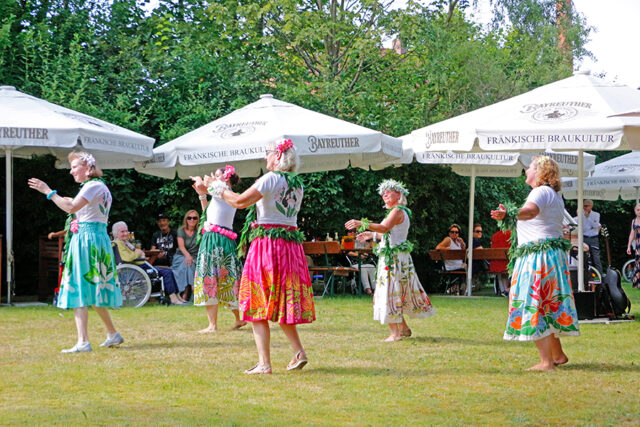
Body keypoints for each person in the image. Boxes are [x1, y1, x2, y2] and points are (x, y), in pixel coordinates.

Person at [212, 139, 315, 374]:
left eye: (268, 153)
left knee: (257, 300)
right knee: (282, 299)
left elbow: (239, 202)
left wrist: (217, 188)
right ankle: (298, 352)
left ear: (278, 156)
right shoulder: (297, 184)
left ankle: (264, 363)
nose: (266, 157)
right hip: (290, 247)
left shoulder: (269, 179)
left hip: (267, 244)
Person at [28, 151, 124, 353]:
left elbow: (70, 207)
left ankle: (83, 342)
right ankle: (112, 334)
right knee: (91, 289)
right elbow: (84, 209)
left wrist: (48, 191)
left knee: (79, 286)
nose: (71, 172)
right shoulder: (99, 186)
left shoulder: (92, 185)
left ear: (87, 169)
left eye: (74, 167)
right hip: (96, 239)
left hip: (87, 240)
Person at [491, 155, 580, 371]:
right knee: (547, 302)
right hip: (550, 256)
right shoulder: (554, 194)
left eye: (530, 167)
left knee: (535, 303)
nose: (526, 171)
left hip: (537, 257)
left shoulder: (540, 192)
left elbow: (531, 212)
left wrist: (508, 213)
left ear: (540, 172)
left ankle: (546, 362)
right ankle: (557, 355)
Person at [345, 179, 435, 342]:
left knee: (387, 291)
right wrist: (372, 236)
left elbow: (384, 228)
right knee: (396, 290)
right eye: (383, 192)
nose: (384, 194)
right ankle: (404, 328)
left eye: (389, 191)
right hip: (399, 257)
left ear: (399, 194)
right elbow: (390, 234)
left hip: (392, 258)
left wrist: (362, 224)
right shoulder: (399, 212)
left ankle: (395, 334)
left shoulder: (397, 211)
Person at [191, 165, 247, 332]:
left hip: (217, 240)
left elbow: (204, 186)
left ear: (226, 178)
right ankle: (238, 319)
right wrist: (201, 194)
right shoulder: (220, 193)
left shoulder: (226, 192)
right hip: (216, 238)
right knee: (223, 279)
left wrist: (201, 183)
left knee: (213, 278)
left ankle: (213, 325)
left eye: (216, 175)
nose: (213, 178)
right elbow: (208, 213)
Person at [112, 221, 187, 305]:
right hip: (136, 268)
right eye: (122, 231)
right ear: (116, 234)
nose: (126, 233)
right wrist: (139, 253)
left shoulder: (124, 243)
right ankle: (173, 298)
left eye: (126, 231)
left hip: (139, 266)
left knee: (168, 271)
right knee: (166, 273)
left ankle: (177, 296)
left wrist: (139, 254)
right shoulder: (118, 243)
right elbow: (126, 258)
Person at [171, 210, 200, 301]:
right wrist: (188, 256)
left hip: (195, 257)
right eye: (189, 218)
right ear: (186, 219)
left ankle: (185, 294)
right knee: (187, 264)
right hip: (181, 255)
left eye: (194, 218)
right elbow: (181, 246)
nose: (192, 220)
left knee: (189, 264)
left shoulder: (200, 231)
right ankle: (192, 290)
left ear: (197, 220)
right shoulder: (181, 230)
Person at [574, 199, 603, 275]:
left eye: (587, 206)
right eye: (584, 206)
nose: (585, 208)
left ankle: (600, 276)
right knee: (584, 258)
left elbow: (595, 225)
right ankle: (586, 275)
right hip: (584, 237)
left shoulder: (596, 214)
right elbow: (582, 228)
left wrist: (588, 217)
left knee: (596, 258)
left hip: (593, 238)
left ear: (591, 206)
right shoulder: (581, 215)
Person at [436, 223, 467, 294]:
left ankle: (459, 289)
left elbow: (464, 253)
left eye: (456, 232)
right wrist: (448, 249)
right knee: (467, 269)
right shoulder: (448, 240)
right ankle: (460, 290)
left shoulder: (458, 242)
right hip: (451, 266)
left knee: (470, 267)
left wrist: (462, 243)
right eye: (452, 232)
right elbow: (438, 247)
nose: (454, 234)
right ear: (449, 233)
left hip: (458, 266)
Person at [490, 230, 511, 297]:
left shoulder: (495, 236)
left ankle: (504, 290)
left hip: (496, 264)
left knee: (501, 270)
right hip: (508, 264)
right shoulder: (512, 234)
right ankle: (508, 290)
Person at [626, 203, 640, 289]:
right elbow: (632, 234)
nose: (639, 212)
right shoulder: (634, 221)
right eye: (638, 210)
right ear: (635, 211)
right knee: (638, 262)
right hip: (638, 244)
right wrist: (629, 246)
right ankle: (637, 283)